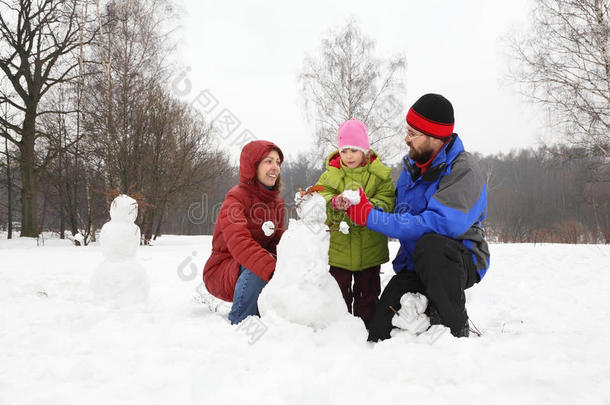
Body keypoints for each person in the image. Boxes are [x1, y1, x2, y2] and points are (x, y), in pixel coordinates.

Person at [345, 94, 490, 340]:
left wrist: (371, 218)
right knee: (380, 330)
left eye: (413, 134)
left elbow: (438, 224)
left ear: (434, 137)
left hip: (456, 259)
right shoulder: (411, 167)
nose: (406, 139)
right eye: (407, 131)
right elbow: (398, 215)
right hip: (415, 263)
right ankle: (427, 309)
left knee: (431, 244)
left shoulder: (463, 170)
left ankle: (456, 326)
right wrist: (364, 206)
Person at [315, 118, 395, 328]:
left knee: (368, 295)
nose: (348, 156)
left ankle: (366, 331)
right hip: (339, 250)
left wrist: (367, 206)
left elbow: (388, 202)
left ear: (365, 151)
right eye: (344, 151)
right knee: (338, 295)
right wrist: (334, 203)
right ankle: (339, 330)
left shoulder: (379, 175)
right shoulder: (331, 174)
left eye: (354, 150)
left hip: (370, 249)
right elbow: (318, 201)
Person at [203, 140, 285, 325]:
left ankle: (275, 321)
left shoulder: (277, 203)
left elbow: (278, 242)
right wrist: (272, 270)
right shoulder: (235, 199)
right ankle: (241, 321)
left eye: (278, 162)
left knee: (272, 262)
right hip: (222, 269)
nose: (275, 167)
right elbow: (240, 243)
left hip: (256, 266)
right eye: (268, 161)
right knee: (258, 265)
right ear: (252, 166)